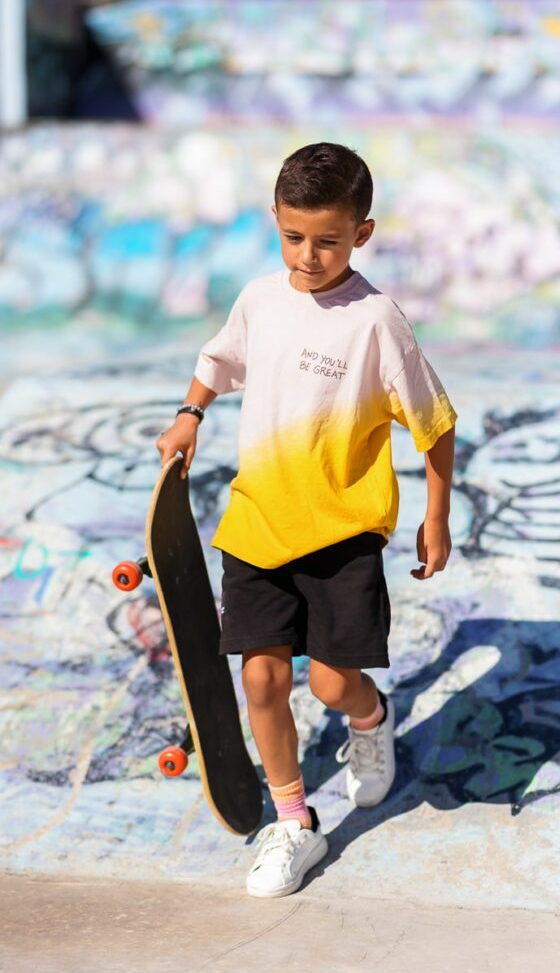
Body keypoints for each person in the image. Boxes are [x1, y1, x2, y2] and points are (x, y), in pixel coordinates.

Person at [157, 142, 457, 898]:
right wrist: (190, 413)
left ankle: (371, 719)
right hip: (257, 522)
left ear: (362, 232)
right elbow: (218, 359)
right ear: (275, 223)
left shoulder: (376, 321)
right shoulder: (260, 298)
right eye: (294, 236)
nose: (309, 255)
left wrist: (437, 514)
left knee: (330, 683)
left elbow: (434, 423)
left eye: (327, 239)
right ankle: (295, 823)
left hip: (342, 534)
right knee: (260, 677)